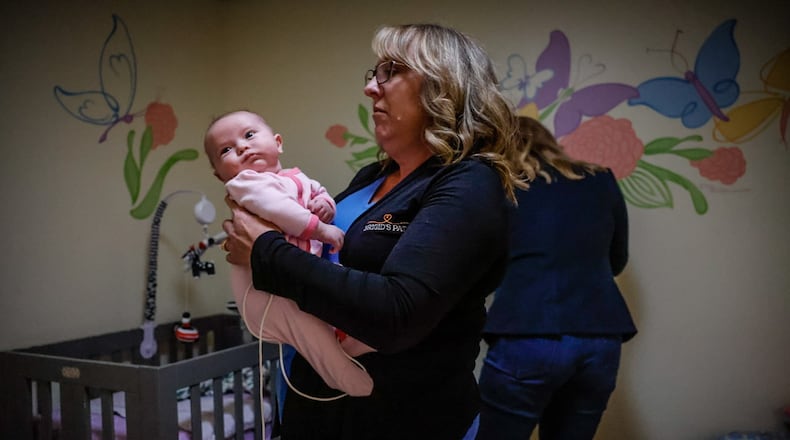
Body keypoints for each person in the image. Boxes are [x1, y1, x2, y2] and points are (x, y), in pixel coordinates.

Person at [220, 24, 527, 440]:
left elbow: (396, 313)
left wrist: (264, 249)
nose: (370, 89)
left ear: (444, 86)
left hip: (403, 419)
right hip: (315, 408)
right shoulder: (373, 175)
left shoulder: (469, 182)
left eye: (392, 71)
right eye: (373, 73)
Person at [476, 116, 638, 440]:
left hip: (526, 333)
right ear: (548, 142)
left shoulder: (502, 185)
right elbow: (616, 260)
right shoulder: (600, 179)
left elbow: (481, 266)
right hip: (599, 337)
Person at [204, 110, 374, 397]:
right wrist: (320, 229)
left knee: (330, 307)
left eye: (248, 135)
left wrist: (325, 204)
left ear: (278, 143)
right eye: (226, 150)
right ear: (220, 175)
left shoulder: (297, 177)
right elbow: (280, 211)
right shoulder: (246, 184)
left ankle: (352, 342)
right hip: (266, 291)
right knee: (306, 325)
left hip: (297, 274)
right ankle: (337, 372)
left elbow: (319, 192)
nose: (242, 147)